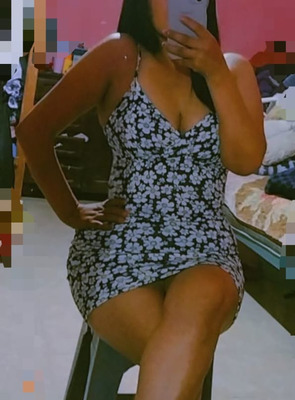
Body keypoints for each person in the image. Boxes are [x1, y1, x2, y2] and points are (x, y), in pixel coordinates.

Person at [16, 0, 265, 398]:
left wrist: (215, 73)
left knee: (198, 310)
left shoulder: (233, 69)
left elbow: (246, 160)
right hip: (120, 242)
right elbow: (33, 131)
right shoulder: (120, 55)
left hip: (206, 247)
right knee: (181, 362)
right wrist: (70, 211)